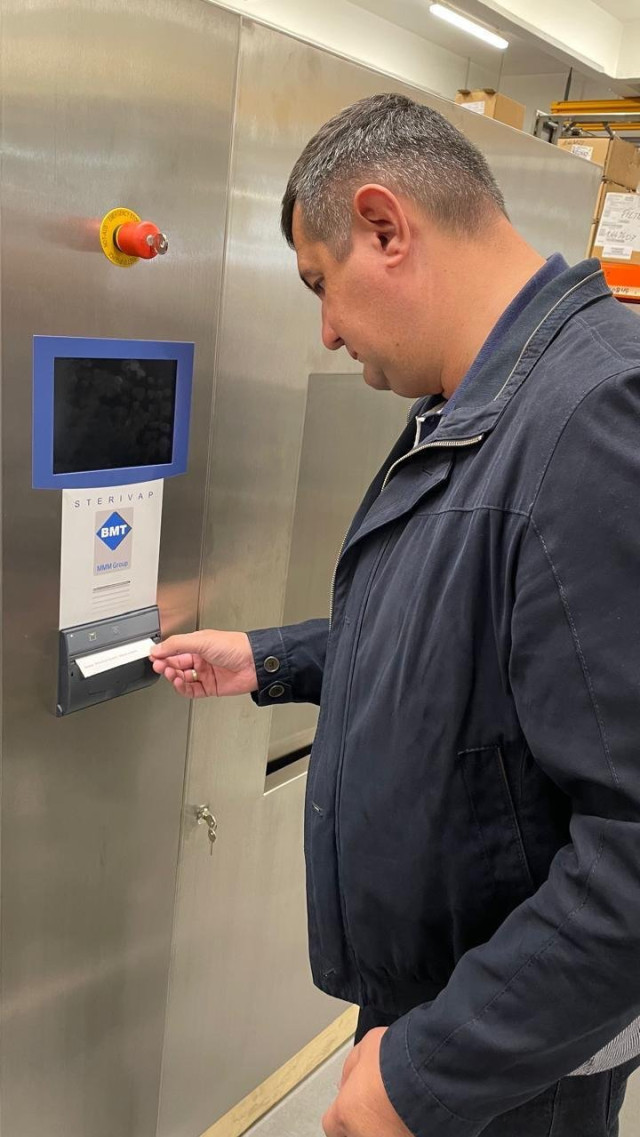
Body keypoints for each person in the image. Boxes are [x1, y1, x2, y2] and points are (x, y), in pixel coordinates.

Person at [151, 94, 640, 1137]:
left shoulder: (593, 422)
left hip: (518, 1057)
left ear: (384, 227)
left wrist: (429, 1072)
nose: (326, 331)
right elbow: (468, 647)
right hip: (451, 1006)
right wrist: (267, 658)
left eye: (319, 285)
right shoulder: (473, 407)